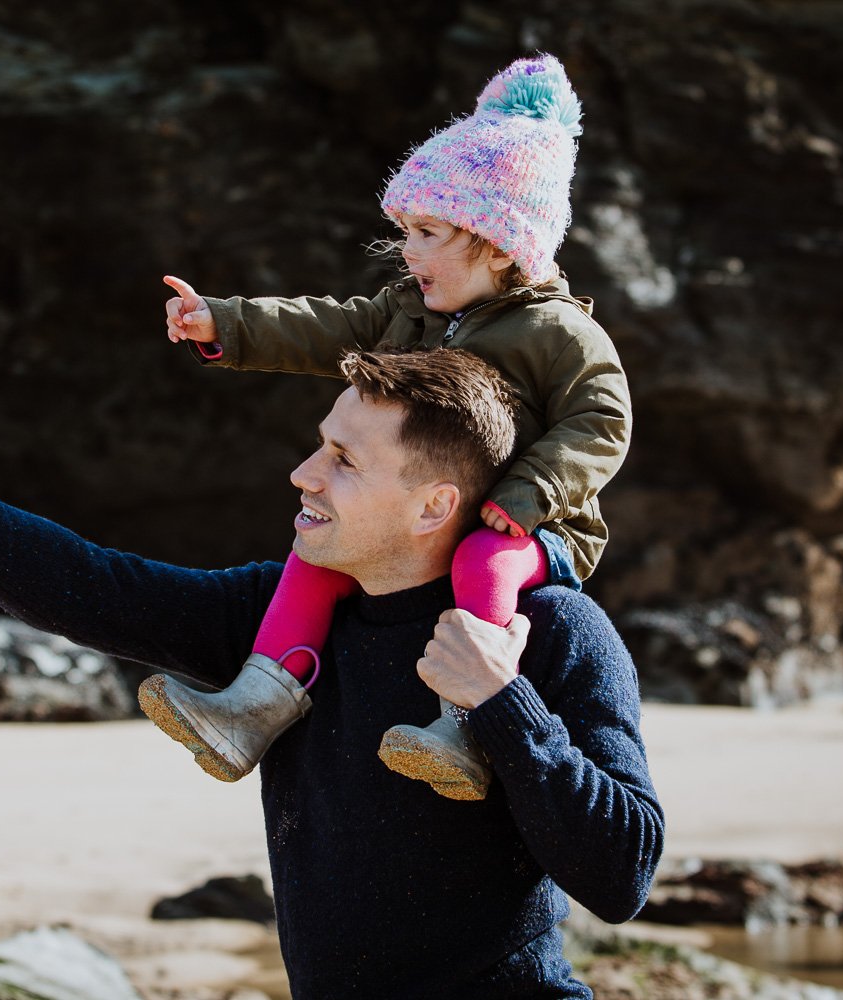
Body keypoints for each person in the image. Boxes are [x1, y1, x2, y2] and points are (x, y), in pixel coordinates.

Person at [0, 348, 663, 998]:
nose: (303, 473)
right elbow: (93, 587)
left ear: (435, 504)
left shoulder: (551, 632)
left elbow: (623, 873)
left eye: (344, 461)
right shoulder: (283, 621)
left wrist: (504, 704)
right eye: (321, 443)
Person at [151, 53, 631, 800]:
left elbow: (602, 421)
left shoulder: (559, 334)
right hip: (424, 509)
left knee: (482, 560)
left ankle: (466, 725)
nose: (408, 249)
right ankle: (255, 705)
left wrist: (532, 496)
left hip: (529, 525)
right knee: (319, 548)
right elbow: (327, 327)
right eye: (405, 228)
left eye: (429, 231)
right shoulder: (409, 310)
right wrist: (225, 322)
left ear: (502, 243)